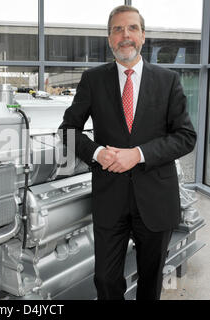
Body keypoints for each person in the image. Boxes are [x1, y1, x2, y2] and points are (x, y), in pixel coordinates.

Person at [58, 5, 196, 300]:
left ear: (143, 36)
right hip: (111, 199)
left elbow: (185, 137)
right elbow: (68, 130)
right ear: (109, 39)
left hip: (156, 200)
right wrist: (97, 153)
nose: (125, 35)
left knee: (150, 282)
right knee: (106, 281)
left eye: (132, 28)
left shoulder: (167, 81)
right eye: (118, 29)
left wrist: (139, 154)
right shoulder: (93, 81)